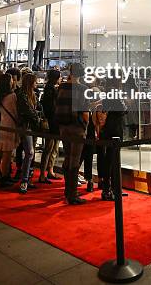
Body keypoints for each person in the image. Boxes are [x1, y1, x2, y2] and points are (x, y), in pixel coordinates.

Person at [55, 63, 89, 205]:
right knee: (74, 160)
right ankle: (72, 194)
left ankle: (67, 190)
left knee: (68, 157)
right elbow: (85, 113)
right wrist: (85, 126)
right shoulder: (82, 89)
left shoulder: (61, 87)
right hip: (76, 127)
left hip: (63, 127)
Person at [98, 77, 126, 201]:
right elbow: (123, 109)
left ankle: (111, 189)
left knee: (110, 160)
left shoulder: (108, 92)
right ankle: (110, 189)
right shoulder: (114, 93)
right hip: (114, 129)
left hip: (110, 129)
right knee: (111, 160)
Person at [16, 72, 40, 194]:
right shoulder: (22, 95)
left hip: (31, 126)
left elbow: (37, 109)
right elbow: (28, 111)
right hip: (25, 126)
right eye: (35, 81)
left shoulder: (33, 95)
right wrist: (37, 117)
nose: (37, 83)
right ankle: (24, 180)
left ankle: (27, 179)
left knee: (31, 152)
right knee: (29, 152)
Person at [0, 73, 19, 188]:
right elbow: (15, 112)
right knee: (7, 153)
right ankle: (5, 176)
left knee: (0, 150)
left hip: (2, 123)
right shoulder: (12, 96)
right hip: (10, 125)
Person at [39, 69, 62, 183]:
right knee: (49, 148)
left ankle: (49, 171)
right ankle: (44, 173)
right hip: (52, 123)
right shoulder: (51, 90)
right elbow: (51, 108)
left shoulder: (50, 88)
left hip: (53, 122)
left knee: (53, 148)